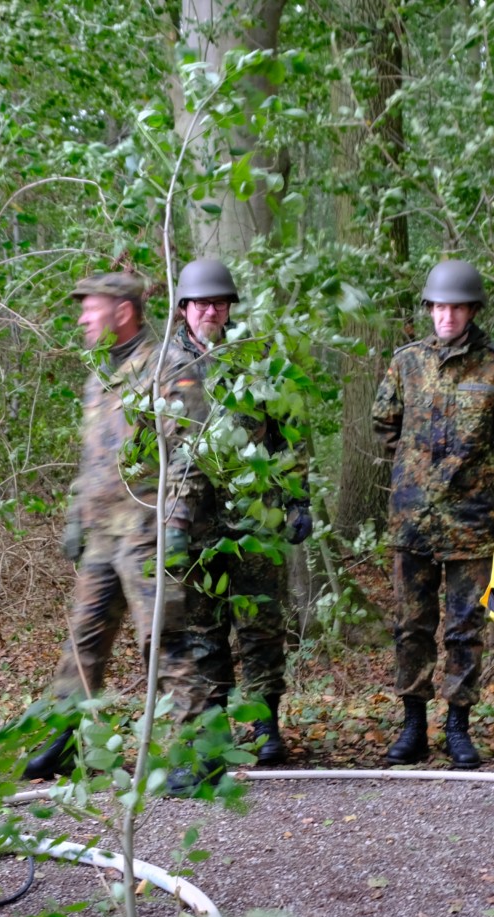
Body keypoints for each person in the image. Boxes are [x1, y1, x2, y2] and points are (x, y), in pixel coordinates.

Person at [16, 272, 229, 795]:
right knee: (83, 639)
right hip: (103, 535)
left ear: (125, 312)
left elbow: (188, 455)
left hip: (147, 529)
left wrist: (175, 524)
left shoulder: (167, 369)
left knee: (166, 641)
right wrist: (75, 516)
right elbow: (93, 458)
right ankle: (65, 737)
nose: (84, 319)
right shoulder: (99, 376)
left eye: (92, 309)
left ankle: (203, 754)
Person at [372, 260, 494, 769]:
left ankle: (459, 727)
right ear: (430, 310)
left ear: (471, 311)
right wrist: (418, 472)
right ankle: (413, 725)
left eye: (456, 307)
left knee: (465, 627)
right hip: (413, 520)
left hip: (473, 521)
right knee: (411, 626)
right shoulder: (406, 363)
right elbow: (384, 426)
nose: (446, 316)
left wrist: (476, 476)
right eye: (439, 307)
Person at [171, 258, 311, 766]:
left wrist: (298, 499)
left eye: (219, 302)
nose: (211, 311)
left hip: (256, 513)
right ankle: (213, 727)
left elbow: (289, 432)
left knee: (260, 623)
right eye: (201, 303)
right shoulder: (161, 364)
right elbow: (143, 444)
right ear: (184, 306)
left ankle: (263, 724)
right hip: (191, 520)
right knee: (202, 628)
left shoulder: (259, 358)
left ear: (231, 307)